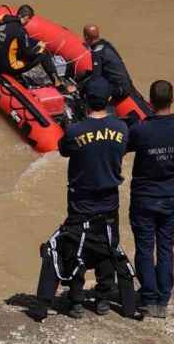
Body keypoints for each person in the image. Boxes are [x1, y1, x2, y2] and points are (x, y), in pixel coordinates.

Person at [30, 76, 140, 322]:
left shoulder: (75, 131)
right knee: (107, 247)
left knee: (74, 248)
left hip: (81, 202)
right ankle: (103, 299)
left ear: (85, 99)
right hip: (109, 201)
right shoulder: (122, 129)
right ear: (109, 100)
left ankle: (76, 300)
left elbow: (64, 149)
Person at [126, 80, 174, 318]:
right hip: (170, 196)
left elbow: (127, 146)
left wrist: (134, 124)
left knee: (145, 247)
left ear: (150, 101)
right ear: (171, 99)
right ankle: (163, 298)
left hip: (144, 197)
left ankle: (149, 297)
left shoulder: (141, 130)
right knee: (165, 247)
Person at [0, 4, 71, 91]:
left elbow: (10, 39)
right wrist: (39, 49)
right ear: (26, 17)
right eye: (29, 19)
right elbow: (28, 55)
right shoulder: (20, 31)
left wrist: (36, 42)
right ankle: (58, 84)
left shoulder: (1, 23)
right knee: (44, 54)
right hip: (7, 68)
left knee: (15, 47)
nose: (28, 22)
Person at [82, 24, 152, 120]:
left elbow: (96, 78)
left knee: (96, 92)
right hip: (126, 84)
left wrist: (82, 87)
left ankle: (103, 118)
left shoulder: (97, 53)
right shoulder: (106, 45)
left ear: (86, 37)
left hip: (119, 90)